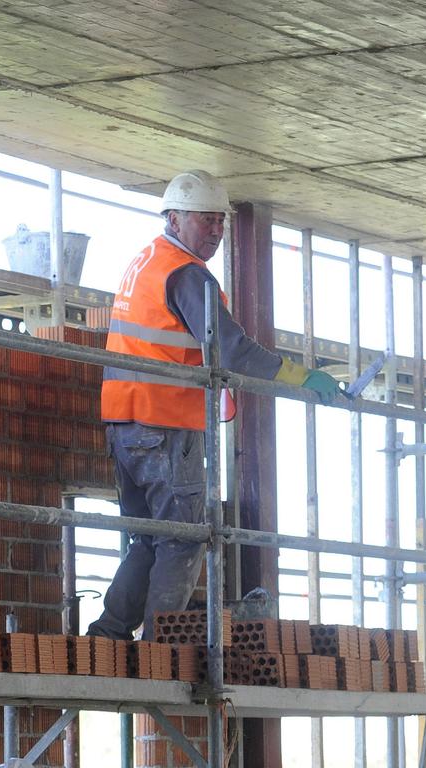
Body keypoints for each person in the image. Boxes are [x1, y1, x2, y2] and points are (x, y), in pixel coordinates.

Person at [89, 169, 345, 642]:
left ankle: (107, 636)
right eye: (206, 220)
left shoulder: (146, 261)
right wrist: (301, 377)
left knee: (149, 537)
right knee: (185, 540)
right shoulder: (186, 274)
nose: (216, 232)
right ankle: (159, 648)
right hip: (165, 423)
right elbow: (233, 350)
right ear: (174, 217)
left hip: (125, 421)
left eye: (220, 223)